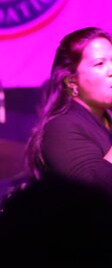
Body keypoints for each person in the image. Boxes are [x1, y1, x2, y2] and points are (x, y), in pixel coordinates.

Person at [25, 26, 112, 193]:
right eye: (99, 64)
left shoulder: (106, 121)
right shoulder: (60, 128)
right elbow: (94, 192)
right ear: (72, 82)